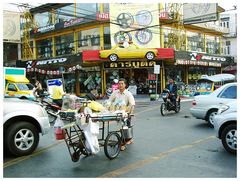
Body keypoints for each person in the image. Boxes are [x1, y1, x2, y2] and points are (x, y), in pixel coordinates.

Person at [109, 78, 135, 151]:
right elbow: (109, 101)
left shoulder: (128, 93)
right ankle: (128, 139)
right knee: (122, 128)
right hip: (116, 112)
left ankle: (123, 143)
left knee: (126, 128)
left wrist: (130, 113)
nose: (120, 85)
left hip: (125, 113)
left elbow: (132, 104)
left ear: (125, 85)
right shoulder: (115, 93)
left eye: (122, 84)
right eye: (119, 84)